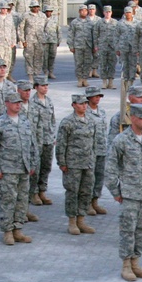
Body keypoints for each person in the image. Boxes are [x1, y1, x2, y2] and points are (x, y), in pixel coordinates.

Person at [106, 103, 142, 281]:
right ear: (133, 118)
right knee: (128, 229)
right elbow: (110, 168)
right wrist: (115, 191)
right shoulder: (121, 140)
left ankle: (136, 262)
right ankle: (126, 265)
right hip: (129, 193)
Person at [0, 91, 35, 245]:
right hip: (7, 169)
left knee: (22, 200)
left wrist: (33, 163)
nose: (18, 105)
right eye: (15, 103)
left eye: (19, 103)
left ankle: (18, 229)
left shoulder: (25, 122)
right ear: (6, 104)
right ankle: (7, 231)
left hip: (23, 168)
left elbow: (32, 145)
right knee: (8, 201)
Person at [56, 90, 101, 235]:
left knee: (86, 192)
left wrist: (93, 158)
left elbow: (94, 142)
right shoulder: (67, 122)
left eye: (85, 103)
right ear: (74, 105)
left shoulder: (91, 120)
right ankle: (72, 222)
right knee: (72, 192)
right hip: (73, 164)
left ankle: (81, 220)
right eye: (81, 104)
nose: (84, 106)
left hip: (87, 163)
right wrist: (61, 162)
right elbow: (61, 144)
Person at [28, 76, 55, 206]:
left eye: (46, 85)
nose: (45, 88)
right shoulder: (32, 103)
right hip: (37, 140)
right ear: (36, 87)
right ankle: (34, 192)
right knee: (36, 167)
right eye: (42, 85)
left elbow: (53, 120)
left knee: (46, 166)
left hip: (48, 139)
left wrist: (53, 135)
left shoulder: (49, 101)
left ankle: (42, 190)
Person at [0, 0, 18, 79]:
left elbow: (13, 30)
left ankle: (5, 77)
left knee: (7, 61)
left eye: (6, 8)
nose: (4, 10)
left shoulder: (9, 17)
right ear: (0, 9)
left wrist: (13, 41)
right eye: (3, 8)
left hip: (8, 42)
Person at [19, 0, 46, 80]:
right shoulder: (26, 15)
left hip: (40, 41)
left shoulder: (42, 16)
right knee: (29, 58)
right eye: (34, 7)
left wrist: (44, 39)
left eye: (37, 7)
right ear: (31, 7)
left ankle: (37, 76)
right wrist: (23, 40)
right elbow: (20, 28)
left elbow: (46, 28)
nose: (36, 8)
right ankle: (30, 76)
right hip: (29, 40)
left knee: (39, 58)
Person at [94, 6, 119, 89]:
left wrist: (118, 46)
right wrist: (96, 45)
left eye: (109, 12)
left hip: (112, 46)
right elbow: (95, 34)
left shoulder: (115, 22)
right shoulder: (99, 22)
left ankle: (111, 82)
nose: (108, 13)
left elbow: (119, 35)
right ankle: (104, 82)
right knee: (103, 64)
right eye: (106, 12)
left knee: (112, 64)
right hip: (102, 46)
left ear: (111, 13)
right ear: (103, 13)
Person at [68, 5, 93, 87]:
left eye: (85, 11)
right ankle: (79, 79)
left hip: (88, 45)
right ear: (79, 12)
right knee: (79, 63)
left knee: (87, 63)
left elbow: (94, 35)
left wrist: (94, 46)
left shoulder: (90, 22)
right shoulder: (74, 22)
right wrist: (71, 46)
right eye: (82, 11)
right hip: (78, 46)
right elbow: (70, 34)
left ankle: (85, 79)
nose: (84, 12)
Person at [116, 6, 138, 84]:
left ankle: (131, 81)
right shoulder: (120, 23)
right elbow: (116, 36)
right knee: (124, 64)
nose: (128, 14)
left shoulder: (137, 23)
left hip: (134, 47)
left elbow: (139, 36)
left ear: (132, 13)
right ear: (124, 13)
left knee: (133, 64)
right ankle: (125, 80)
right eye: (126, 12)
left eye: (129, 12)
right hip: (123, 47)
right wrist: (117, 48)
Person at [42, 7, 61, 79]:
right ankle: (45, 72)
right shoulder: (42, 19)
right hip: (45, 41)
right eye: (47, 11)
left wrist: (59, 40)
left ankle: (51, 71)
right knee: (45, 57)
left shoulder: (55, 19)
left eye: (50, 11)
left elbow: (58, 30)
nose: (48, 13)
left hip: (53, 40)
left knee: (52, 56)